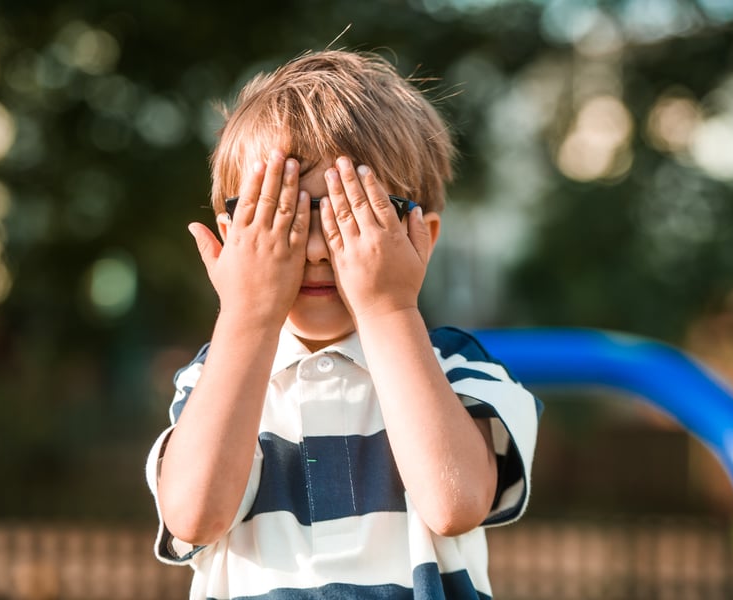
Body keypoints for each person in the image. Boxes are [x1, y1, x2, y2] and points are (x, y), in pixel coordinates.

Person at [145, 49, 540, 600]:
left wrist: (388, 309)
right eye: (281, 215)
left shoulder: (459, 369)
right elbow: (194, 517)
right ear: (232, 235)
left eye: (350, 217)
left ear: (421, 237)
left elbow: (455, 505)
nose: (312, 250)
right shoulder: (217, 376)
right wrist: (247, 314)